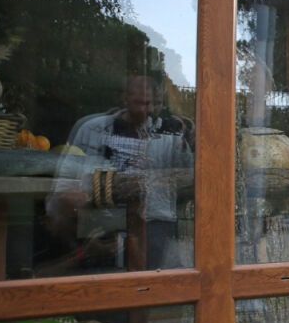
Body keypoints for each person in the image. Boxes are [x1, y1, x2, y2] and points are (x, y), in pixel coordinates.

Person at [48, 74, 193, 273]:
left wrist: (150, 183)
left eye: (153, 104)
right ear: (123, 99)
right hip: (98, 225)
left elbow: (190, 178)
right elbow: (63, 188)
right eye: (140, 103)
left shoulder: (172, 136)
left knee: (148, 288)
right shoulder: (92, 129)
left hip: (154, 224)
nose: (147, 110)